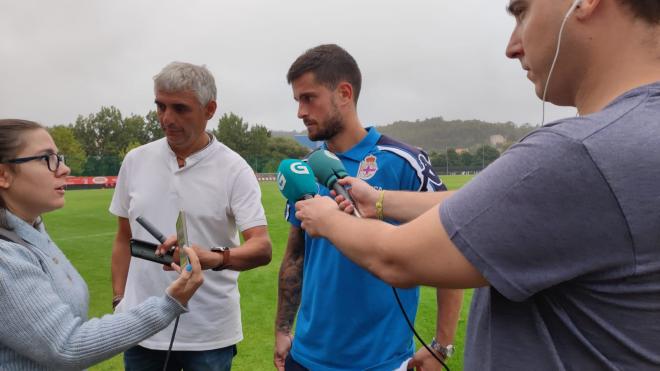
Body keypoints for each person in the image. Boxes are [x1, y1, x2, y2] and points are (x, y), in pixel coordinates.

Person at [294, 1, 660, 370]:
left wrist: (326, 217)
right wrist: (381, 202)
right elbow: (481, 208)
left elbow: (395, 256)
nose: (512, 46)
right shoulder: (635, 137)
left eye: (521, 12)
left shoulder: (580, 152)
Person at [274, 44, 463, 371]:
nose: (300, 112)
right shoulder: (305, 168)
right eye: (297, 101)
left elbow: (452, 241)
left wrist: (440, 345)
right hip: (305, 358)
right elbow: (296, 254)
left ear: (344, 93)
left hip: (380, 361)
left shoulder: (404, 161)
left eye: (309, 98)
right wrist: (282, 328)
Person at [0, 119, 204, 370]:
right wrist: (169, 303)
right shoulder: (5, 257)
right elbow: (67, 346)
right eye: (47, 159)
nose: (64, 168)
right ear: (3, 175)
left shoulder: (32, 231)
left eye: (59, 157)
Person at [110, 62, 272, 371]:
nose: (167, 119)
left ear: (209, 109)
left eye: (180, 109)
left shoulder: (234, 168)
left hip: (209, 334)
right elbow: (123, 239)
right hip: (142, 329)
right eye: (161, 106)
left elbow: (262, 248)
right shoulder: (135, 161)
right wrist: (119, 301)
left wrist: (212, 257)